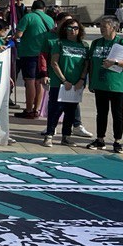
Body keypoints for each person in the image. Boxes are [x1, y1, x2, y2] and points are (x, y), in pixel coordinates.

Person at [87, 16, 123, 154]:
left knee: (117, 113)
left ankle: (117, 141)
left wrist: (115, 62)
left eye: (104, 26)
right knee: (101, 113)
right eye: (100, 26)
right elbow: (90, 63)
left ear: (114, 28)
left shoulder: (122, 43)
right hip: (100, 84)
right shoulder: (96, 43)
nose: (101, 29)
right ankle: (100, 139)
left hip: (117, 85)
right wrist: (90, 81)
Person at [44, 16, 88, 148]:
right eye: (69, 28)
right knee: (55, 110)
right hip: (60, 84)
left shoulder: (84, 45)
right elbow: (54, 63)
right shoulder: (59, 43)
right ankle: (49, 135)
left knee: (71, 110)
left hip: (76, 85)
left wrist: (81, 80)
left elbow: (86, 65)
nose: (72, 31)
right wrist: (64, 80)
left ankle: (66, 136)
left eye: (75, 28)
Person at [13, 0, 54, 120]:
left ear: (32, 8)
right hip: (44, 55)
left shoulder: (28, 17)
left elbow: (19, 35)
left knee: (29, 81)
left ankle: (29, 109)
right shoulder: (49, 19)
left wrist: (13, 36)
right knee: (39, 81)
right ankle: (37, 109)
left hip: (29, 53)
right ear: (44, 8)